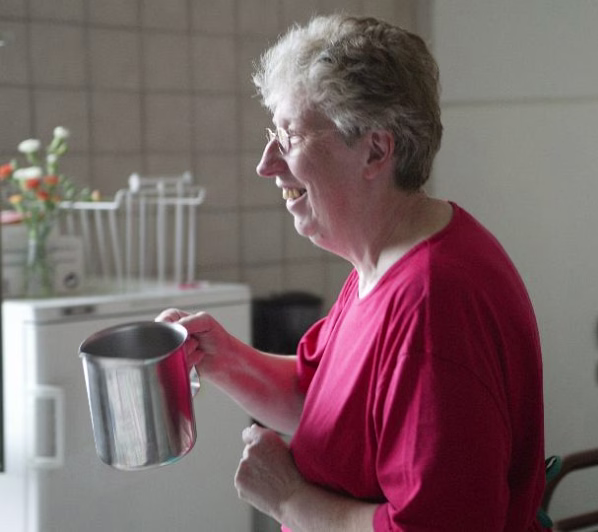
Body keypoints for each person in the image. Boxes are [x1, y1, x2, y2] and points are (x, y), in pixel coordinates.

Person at [157, 13, 547, 531]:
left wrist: (288, 499)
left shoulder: (433, 301)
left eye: (290, 136)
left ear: (376, 151)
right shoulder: (384, 259)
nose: (266, 164)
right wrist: (220, 357)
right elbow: (324, 400)